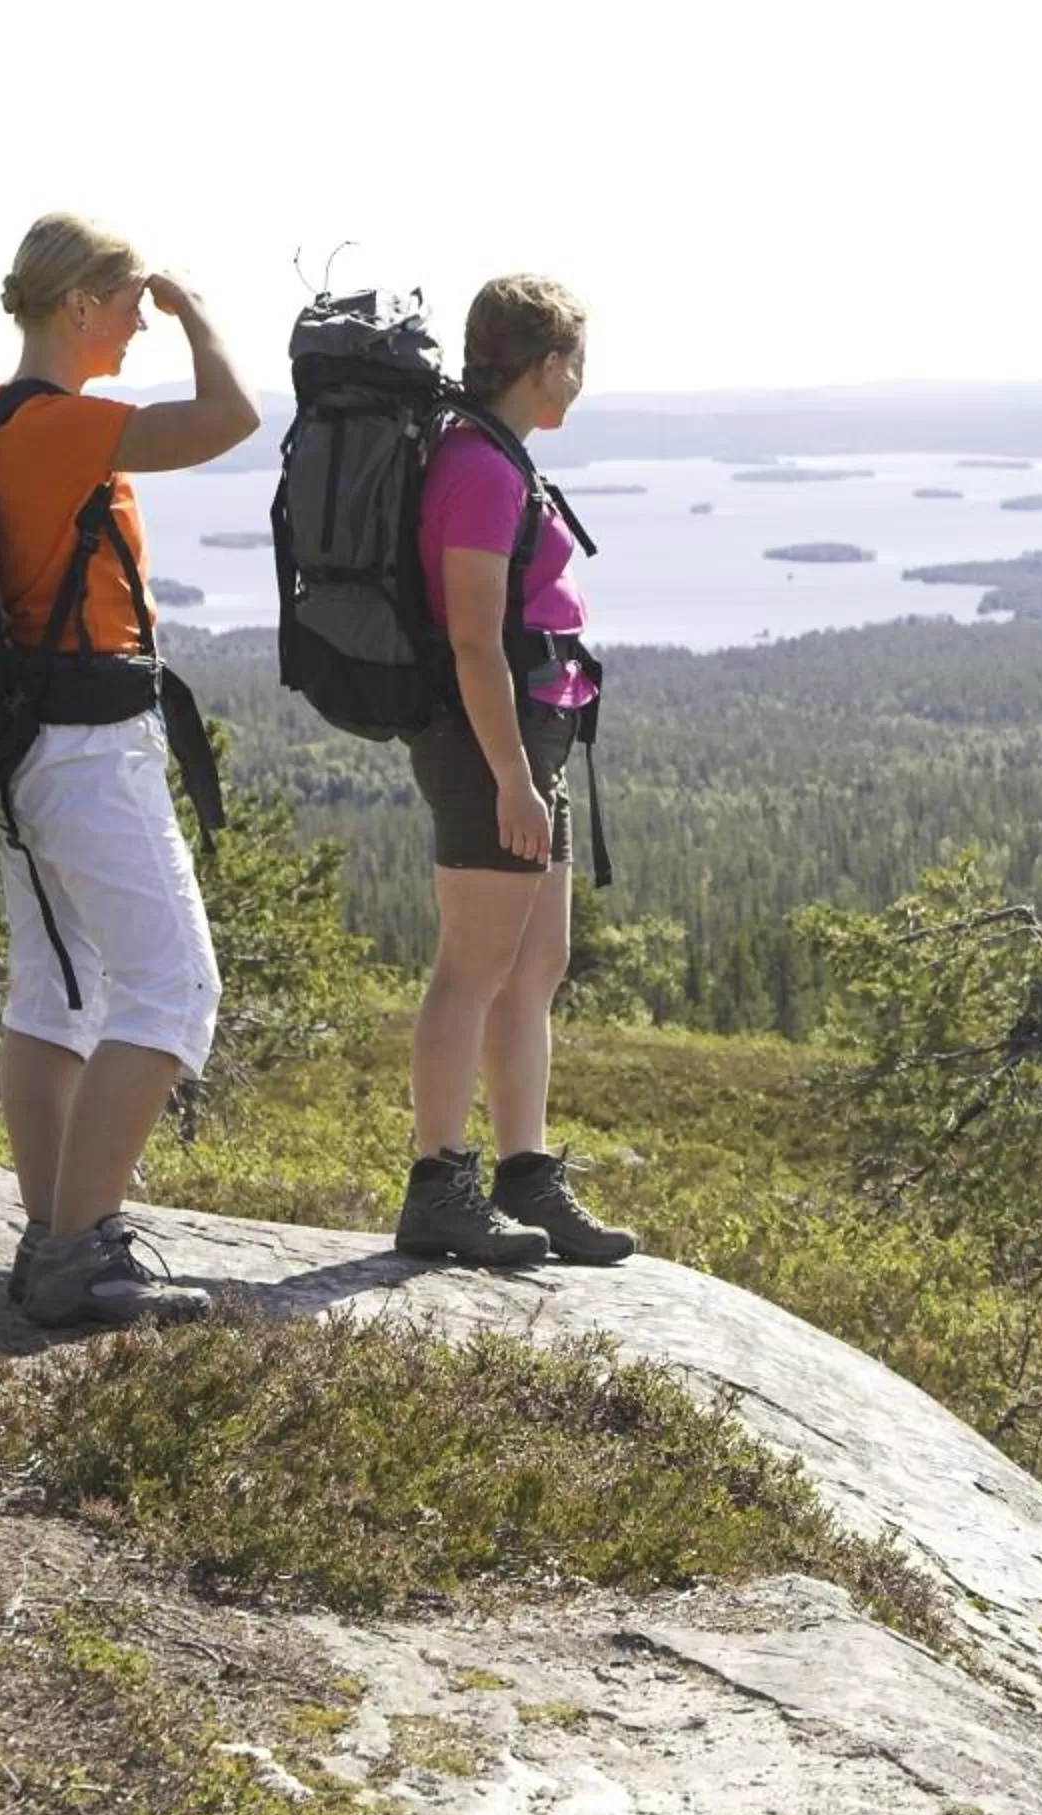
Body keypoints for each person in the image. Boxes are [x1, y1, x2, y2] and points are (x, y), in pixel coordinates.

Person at [0, 212, 260, 1326]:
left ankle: (55, 1237)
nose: (141, 319)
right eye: (130, 300)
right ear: (78, 304)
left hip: (28, 748)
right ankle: (82, 1247)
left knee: (58, 992)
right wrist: (200, 318)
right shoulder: (56, 426)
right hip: (89, 751)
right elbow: (230, 418)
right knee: (174, 987)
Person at [395, 275, 636, 1266]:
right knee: (472, 969)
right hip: (488, 744)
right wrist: (508, 778)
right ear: (542, 366)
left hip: (534, 737)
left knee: (532, 968)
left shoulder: (497, 456)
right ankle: (437, 1182)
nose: (580, 379)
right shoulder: (478, 470)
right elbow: (472, 644)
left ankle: (525, 1173)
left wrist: (527, 769)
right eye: (574, 361)